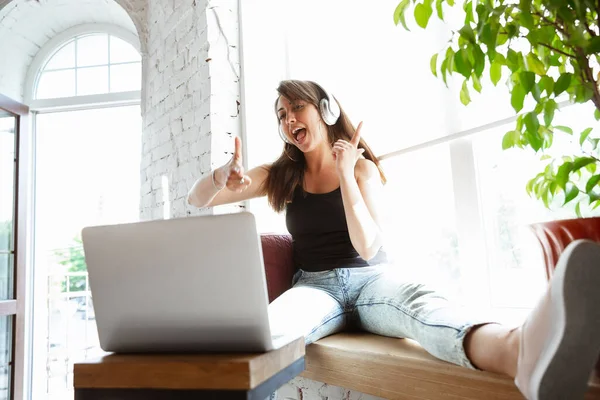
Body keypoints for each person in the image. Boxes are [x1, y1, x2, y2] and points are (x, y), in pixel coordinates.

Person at [187, 79, 600, 400]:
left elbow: (368, 246)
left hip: (373, 280)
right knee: (269, 334)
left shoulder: (362, 170)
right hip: (314, 287)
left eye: (297, 106)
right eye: (281, 114)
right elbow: (198, 198)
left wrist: (346, 173)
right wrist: (221, 175)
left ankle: (519, 351)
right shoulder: (280, 173)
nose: (288, 118)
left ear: (325, 110)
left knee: (426, 310)